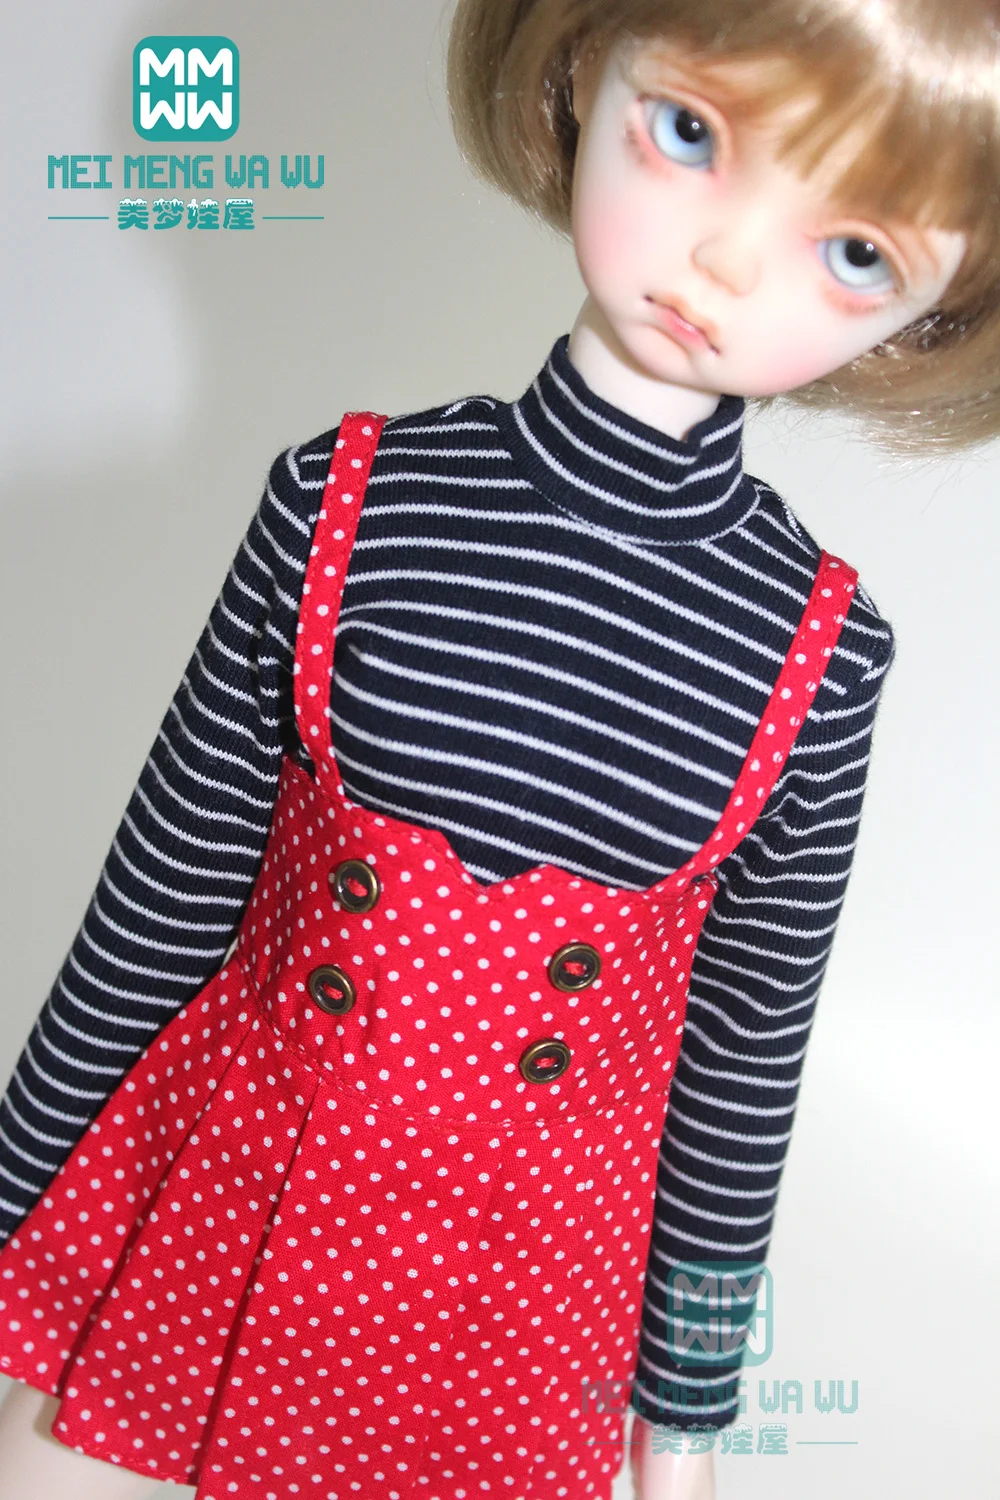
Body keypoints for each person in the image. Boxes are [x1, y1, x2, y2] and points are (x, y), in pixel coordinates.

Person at [0, 2, 997, 1497]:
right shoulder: (346, 499)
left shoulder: (818, 656)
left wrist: (686, 1414)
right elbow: (161, 901)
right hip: (230, 1197)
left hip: (519, 1304)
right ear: (585, 63)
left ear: (933, 315)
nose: (727, 264)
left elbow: (740, 1075)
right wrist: (17, 1198)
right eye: (692, 134)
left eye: (857, 250)